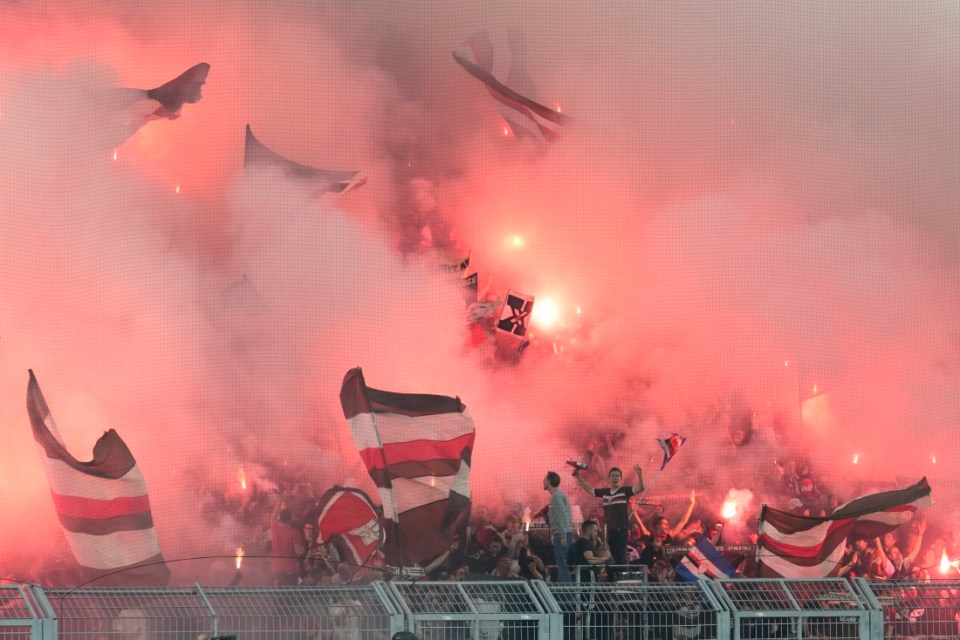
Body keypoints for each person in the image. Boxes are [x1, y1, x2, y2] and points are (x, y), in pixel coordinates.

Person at [576, 464, 644, 570]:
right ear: (609, 478)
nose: (615, 478)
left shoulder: (624, 491)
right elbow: (590, 490)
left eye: (617, 476)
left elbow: (640, 488)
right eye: (613, 475)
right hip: (609, 530)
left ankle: (620, 582)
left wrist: (639, 475)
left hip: (621, 530)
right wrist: (579, 477)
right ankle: (612, 581)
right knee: (609, 556)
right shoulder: (605, 492)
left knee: (620, 556)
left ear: (621, 479)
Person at [538, 470, 575, 582]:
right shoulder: (558, 495)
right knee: (563, 564)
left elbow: (563, 515)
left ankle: (566, 595)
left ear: (549, 481)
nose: (543, 481)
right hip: (562, 533)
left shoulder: (556, 497)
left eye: (544, 479)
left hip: (561, 534)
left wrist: (563, 535)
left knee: (562, 564)